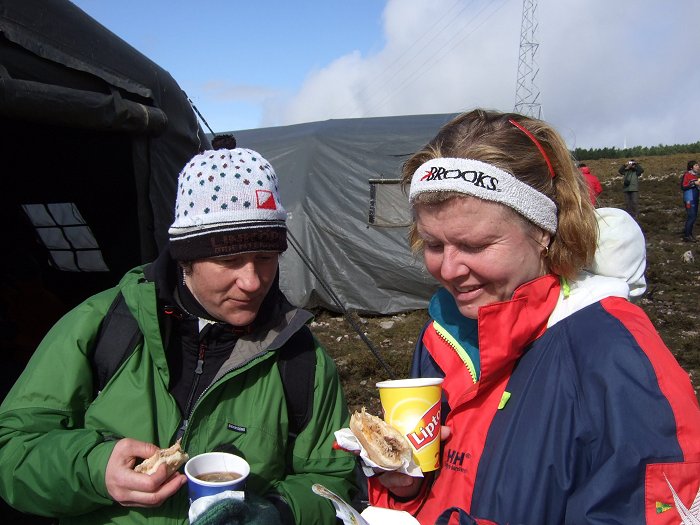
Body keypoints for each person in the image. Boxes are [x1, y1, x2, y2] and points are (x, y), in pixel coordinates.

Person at [367, 109, 700, 525]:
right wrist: (406, 487)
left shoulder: (616, 358)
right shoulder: (443, 332)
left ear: (543, 230)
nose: (449, 270)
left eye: (475, 245)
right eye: (434, 245)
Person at [0, 148, 357, 524]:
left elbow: (334, 479)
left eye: (266, 257)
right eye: (229, 260)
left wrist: (279, 512)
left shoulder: (299, 356)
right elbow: (12, 448)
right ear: (186, 258)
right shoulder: (104, 325)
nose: (253, 282)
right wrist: (94, 469)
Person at [680, 159, 699, 242]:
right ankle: (687, 236)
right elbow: (683, 186)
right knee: (691, 216)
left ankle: (689, 234)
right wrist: (694, 183)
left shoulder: (695, 176)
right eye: (696, 165)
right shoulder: (687, 175)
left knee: (693, 216)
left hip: (695, 199)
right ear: (691, 167)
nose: (698, 167)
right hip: (689, 199)